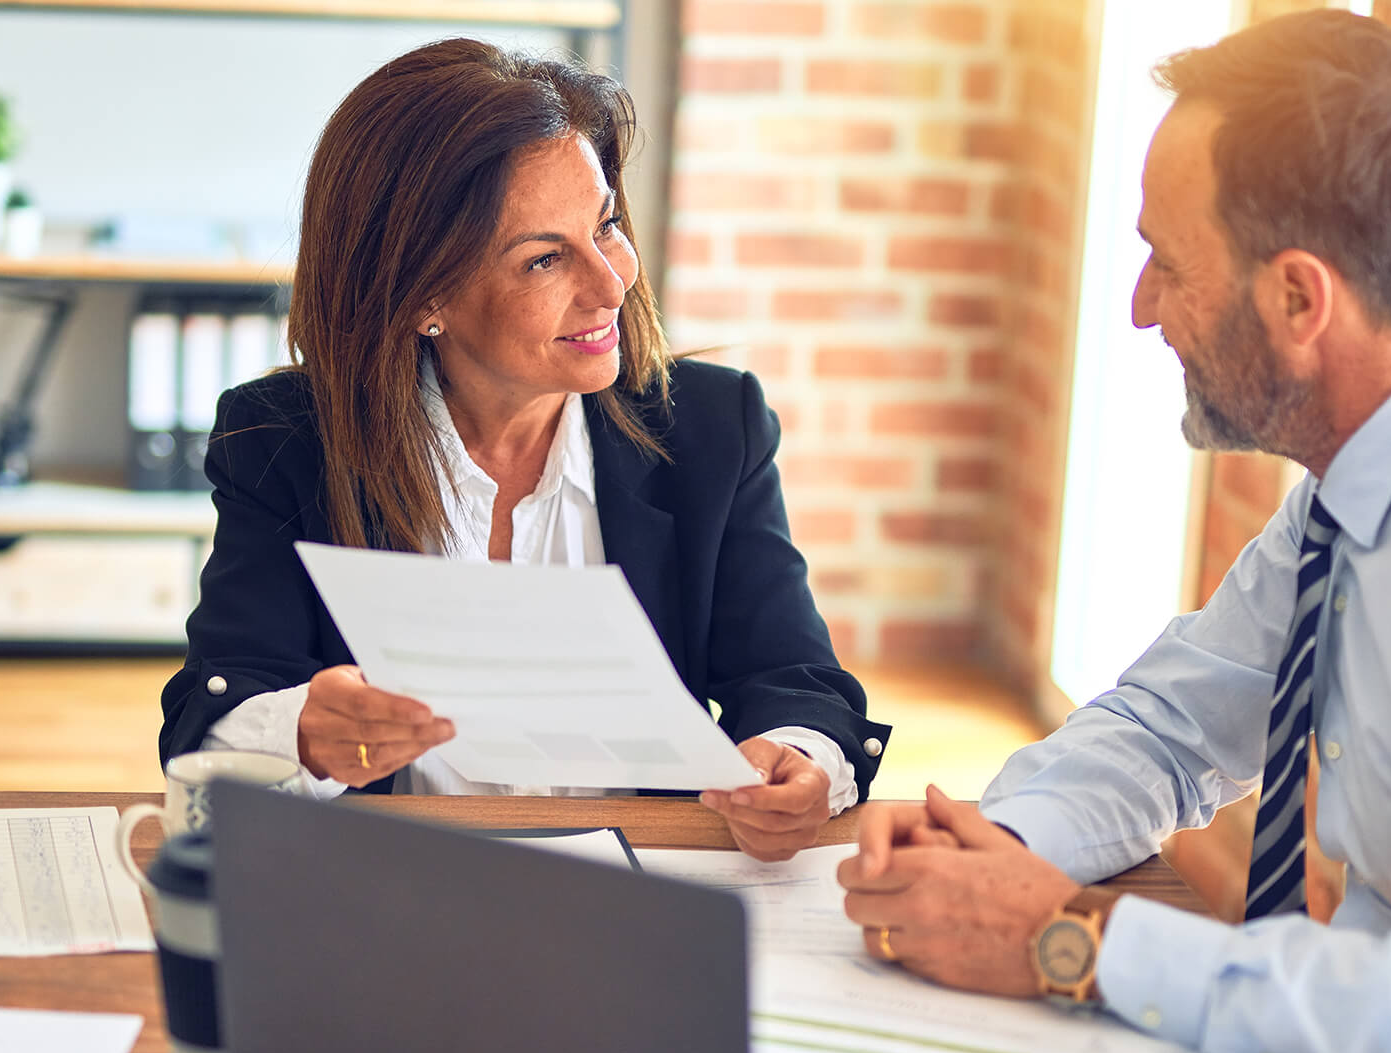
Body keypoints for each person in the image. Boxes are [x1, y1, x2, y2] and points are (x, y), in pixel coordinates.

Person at [839, 11, 1391, 1053]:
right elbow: (1169, 725)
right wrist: (993, 853)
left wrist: (1071, 942)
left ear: (1298, 296)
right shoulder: (1361, 487)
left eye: (1167, 264)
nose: (1144, 311)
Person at [158, 39, 891, 862]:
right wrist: (303, 732)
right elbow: (212, 710)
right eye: (545, 258)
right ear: (421, 296)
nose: (612, 283)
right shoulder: (284, 442)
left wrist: (799, 759)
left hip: (642, 890)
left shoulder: (714, 430)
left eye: (606, 225)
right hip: (388, 885)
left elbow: (794, 682)